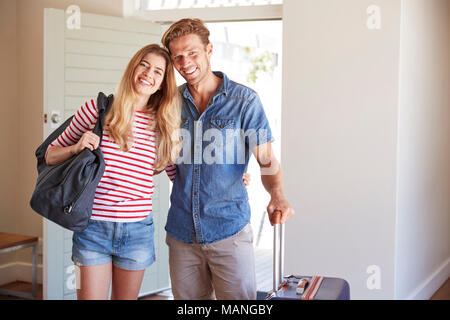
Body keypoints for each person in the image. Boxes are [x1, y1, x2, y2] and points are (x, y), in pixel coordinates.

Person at [161, 18, 295, 300]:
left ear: (209, 50)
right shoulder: (169, 102)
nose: (186, 63)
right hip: (182, 234)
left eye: (193, 53)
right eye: (178, 57)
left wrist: (277, 194)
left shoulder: (244, 101)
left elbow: (266, 159)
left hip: (228, 231)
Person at [45, 44, 181, 300]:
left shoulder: (164, 123)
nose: (148, 74)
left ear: (163, 83)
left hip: (138, 230)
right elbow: (50, 154)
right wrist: (76, 148)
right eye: (144, 64)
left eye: (158, 72)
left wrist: (233, 180)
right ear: (133, 67)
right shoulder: (97, 110)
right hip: (92, 228)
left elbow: (177, 174)